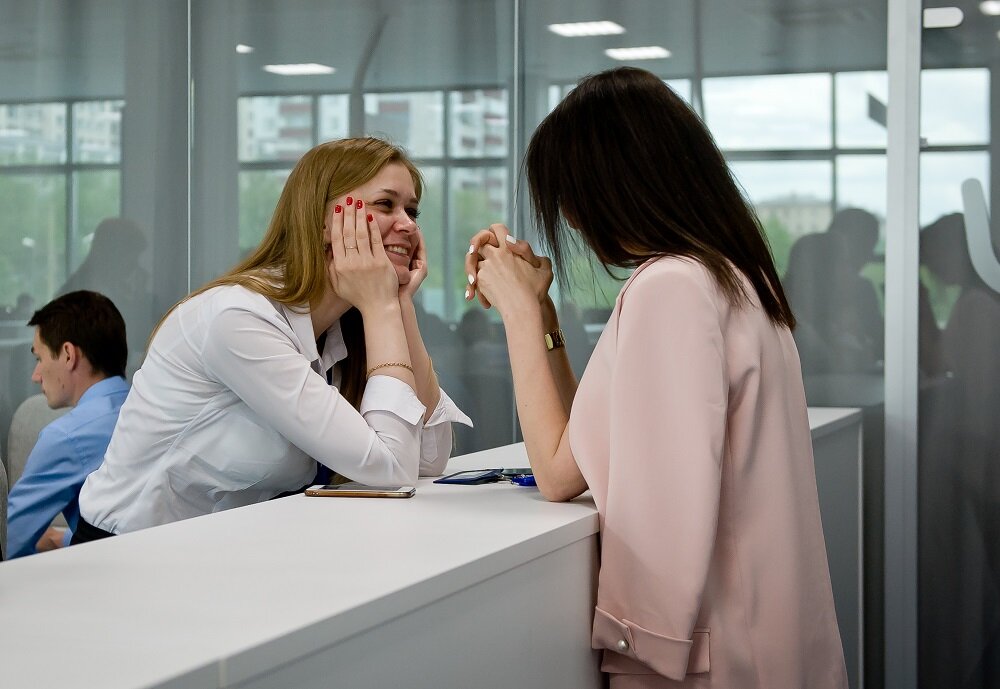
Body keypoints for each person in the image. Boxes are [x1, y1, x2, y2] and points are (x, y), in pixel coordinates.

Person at [465, 67, 847, 687]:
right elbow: (583, 446)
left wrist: (512, 313)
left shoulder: (671, 287)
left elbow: (559, 473)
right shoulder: (728, 276)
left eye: (569, 192)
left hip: (716, 658)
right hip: (762, 642)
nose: (568, 215)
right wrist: (537, 308)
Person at [75, 137, 470, 541]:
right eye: (386, 204)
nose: (408, 225)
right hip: (127, 552)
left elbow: (428, 459)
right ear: (322, 220)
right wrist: (382, 308)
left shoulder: (344, 325)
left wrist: (400, 307)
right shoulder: (239, 318)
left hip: (218, 548)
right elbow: (392, 470)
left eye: (412, 210)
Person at [6, 291, 129, 558]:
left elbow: (9, 542)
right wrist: (64, 539)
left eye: (39, 359)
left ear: (68, 354)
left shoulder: (67, 437)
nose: (35, 375)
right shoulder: (143, 411)